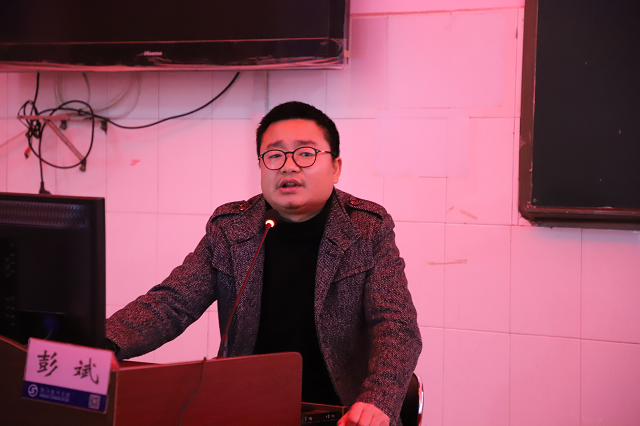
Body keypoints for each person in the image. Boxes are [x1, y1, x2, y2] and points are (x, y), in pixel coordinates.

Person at [106, 101, 422, 426]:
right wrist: (104, 344)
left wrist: (377, 401)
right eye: (274, 155)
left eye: (306, 153)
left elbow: (397, 325)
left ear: (335, 168)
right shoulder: (231, 229)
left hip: (344, 414)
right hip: (247, 408)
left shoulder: (366, 228)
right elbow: (172, 303)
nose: (288, 166)